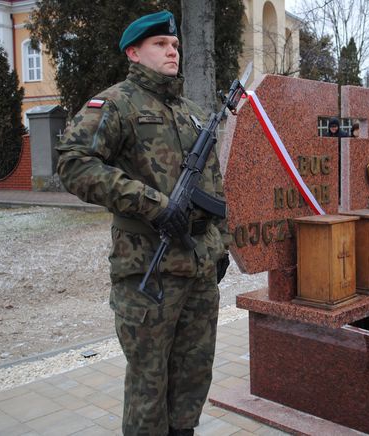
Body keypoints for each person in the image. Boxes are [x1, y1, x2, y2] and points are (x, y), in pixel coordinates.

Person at [55, 11, 232, 436]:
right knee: (148, 387)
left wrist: (222, 244)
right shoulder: (115, 103)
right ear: (134, 53)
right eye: (160, 45)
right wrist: (154, 204)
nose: (172, 51)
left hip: (199, 267)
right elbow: (74, 163)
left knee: (193, 378)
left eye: (174, 45)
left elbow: (216, 186)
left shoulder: (192, 112)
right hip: (148, 271)